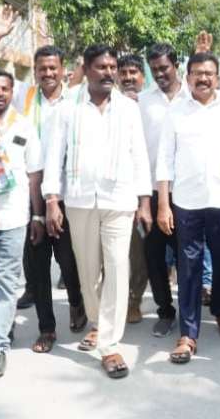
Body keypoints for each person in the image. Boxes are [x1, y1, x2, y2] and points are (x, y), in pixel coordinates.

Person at [0, 5, 87, 352]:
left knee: (69, 262)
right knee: (36, 267)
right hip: (30, 195)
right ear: (35, 72)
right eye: (42, 69)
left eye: (54, 68)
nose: (48, 73)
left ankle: (78, 304)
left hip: (68, 194)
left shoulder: (76, 98)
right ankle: (47, 329)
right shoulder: (23, 96)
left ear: (64, 71)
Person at [41, 45, 152, 379]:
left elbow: (139, 155)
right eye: (102, 67)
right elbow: (53, 155)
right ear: (87, 69)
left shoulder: (128, 108)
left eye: (112, 67)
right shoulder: (67, 108)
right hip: (79, 200)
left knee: (117, 268)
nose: (109, 72)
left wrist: (145, 201)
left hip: (119, 200)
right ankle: (97, 320)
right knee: (88, 273)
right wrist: (51, 199)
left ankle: (109, 344)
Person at [156, 52, 220, 364]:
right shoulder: (176, 112)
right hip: (186, 203)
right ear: (188, 77)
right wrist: (163, 204)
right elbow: (164, 160)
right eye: (197, 73)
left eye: (209, 73)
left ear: (217, 77)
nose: (203, 78)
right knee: (188, 267)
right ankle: (188, 333)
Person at [0, 69, 44, 378]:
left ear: (12, 92)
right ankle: (4, 321)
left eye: (5, 88)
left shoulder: (24, 126)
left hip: (13, 215)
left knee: (4, 279)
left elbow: (34, 174)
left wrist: (38, 215)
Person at [138, 43, 189, 338]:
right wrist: (143, 201)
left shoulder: (192, 96)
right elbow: (137, 152)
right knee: (154, 256)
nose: (159, 74)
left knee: (187, 257)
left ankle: (190, 313)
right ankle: (165, 311)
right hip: (153, 192)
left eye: (164, 68)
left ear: (176, 65)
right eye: (154, 69)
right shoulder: (143, 102)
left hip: (188, 193)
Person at [116, 53, 150, 323]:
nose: (128, 78)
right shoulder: (109, 104)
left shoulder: (151, 105)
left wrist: (145, 200)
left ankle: (134, 300)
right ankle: (113, 302)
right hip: (116, 191)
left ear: (142, 77)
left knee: (139, 253)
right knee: (114, 254)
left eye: (133, 73)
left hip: (147, 190)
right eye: (123, 73)